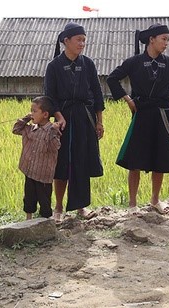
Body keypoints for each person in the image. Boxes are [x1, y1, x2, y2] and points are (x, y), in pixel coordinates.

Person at [106, 23, 169, 214]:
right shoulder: (134, 62)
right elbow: (112, 78)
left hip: (163, 114)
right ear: (152, 39)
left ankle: (155, 200)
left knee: (161, 157)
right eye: (163, 39)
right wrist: (127, 99)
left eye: (168, 40)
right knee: (135, 159)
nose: (166, 43)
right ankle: (132, 204)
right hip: (142, 113)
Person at [44, 22, 104, 224]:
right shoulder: (53, 66)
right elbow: (50, 97)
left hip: (85, 119)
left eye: (84, 40)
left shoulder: (88, 64)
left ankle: (81, 206)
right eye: (78, 39)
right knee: (61, 164)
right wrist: (59, 117)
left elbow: (97, 93)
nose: (82, 43)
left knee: (81, 162)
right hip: (63, 121)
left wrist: (99, 121)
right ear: (66, 41)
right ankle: (59, 207)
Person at [12, 96, 62, 220]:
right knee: (29, 197)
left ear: (45, 114)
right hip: (29, 171)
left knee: (44, 200)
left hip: (43, 175)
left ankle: (45, 222)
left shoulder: (52, 130)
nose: (32, 113)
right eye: (31, 110)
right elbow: (16, 129)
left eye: (34, 111)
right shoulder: (29, 128)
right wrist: (26, 118)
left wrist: (54, 132)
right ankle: (28, 219)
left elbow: (56, 146)